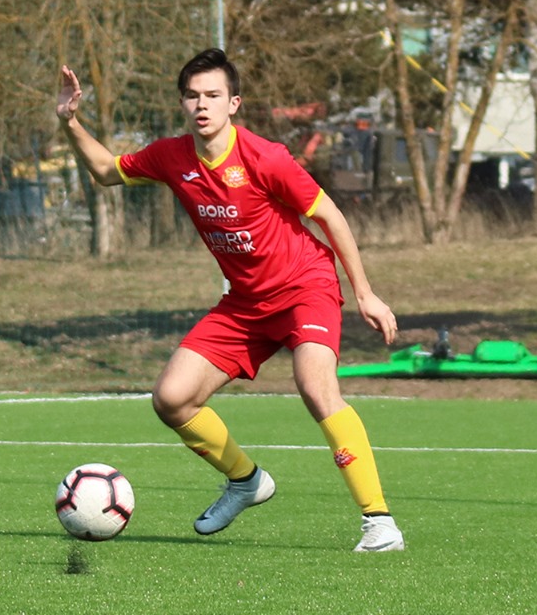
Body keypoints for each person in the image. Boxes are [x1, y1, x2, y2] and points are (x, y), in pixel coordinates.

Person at [56, 48, 404, 552]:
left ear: (233, 103)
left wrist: (365, 293)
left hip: (305, 287)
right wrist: (69, 121)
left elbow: (330, 215)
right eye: (192, 96)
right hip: (245, 303)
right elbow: (106, 170)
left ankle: (379, 522)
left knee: (315, 386)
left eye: (213, 95)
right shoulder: (172, 156)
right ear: (182, 103)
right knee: (171, 398)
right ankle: (245, 481)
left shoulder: (266, 158)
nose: (202, 105)